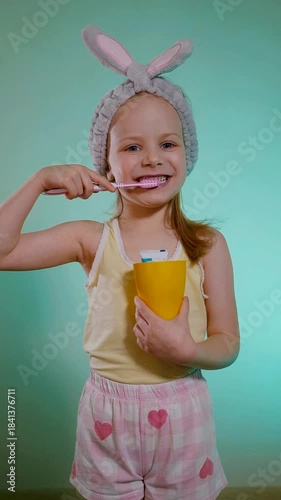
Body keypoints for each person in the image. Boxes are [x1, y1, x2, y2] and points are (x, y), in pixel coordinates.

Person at [0, 25, 240, 500]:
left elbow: (228, 343)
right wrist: (39, 179)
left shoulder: (207, 244)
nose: (152, 159)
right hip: (106, 416)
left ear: (187, 155)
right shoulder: (90, 240)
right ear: (107, 168)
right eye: (132, 147)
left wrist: (189, 352)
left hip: (184, 410)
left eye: (167, 144)